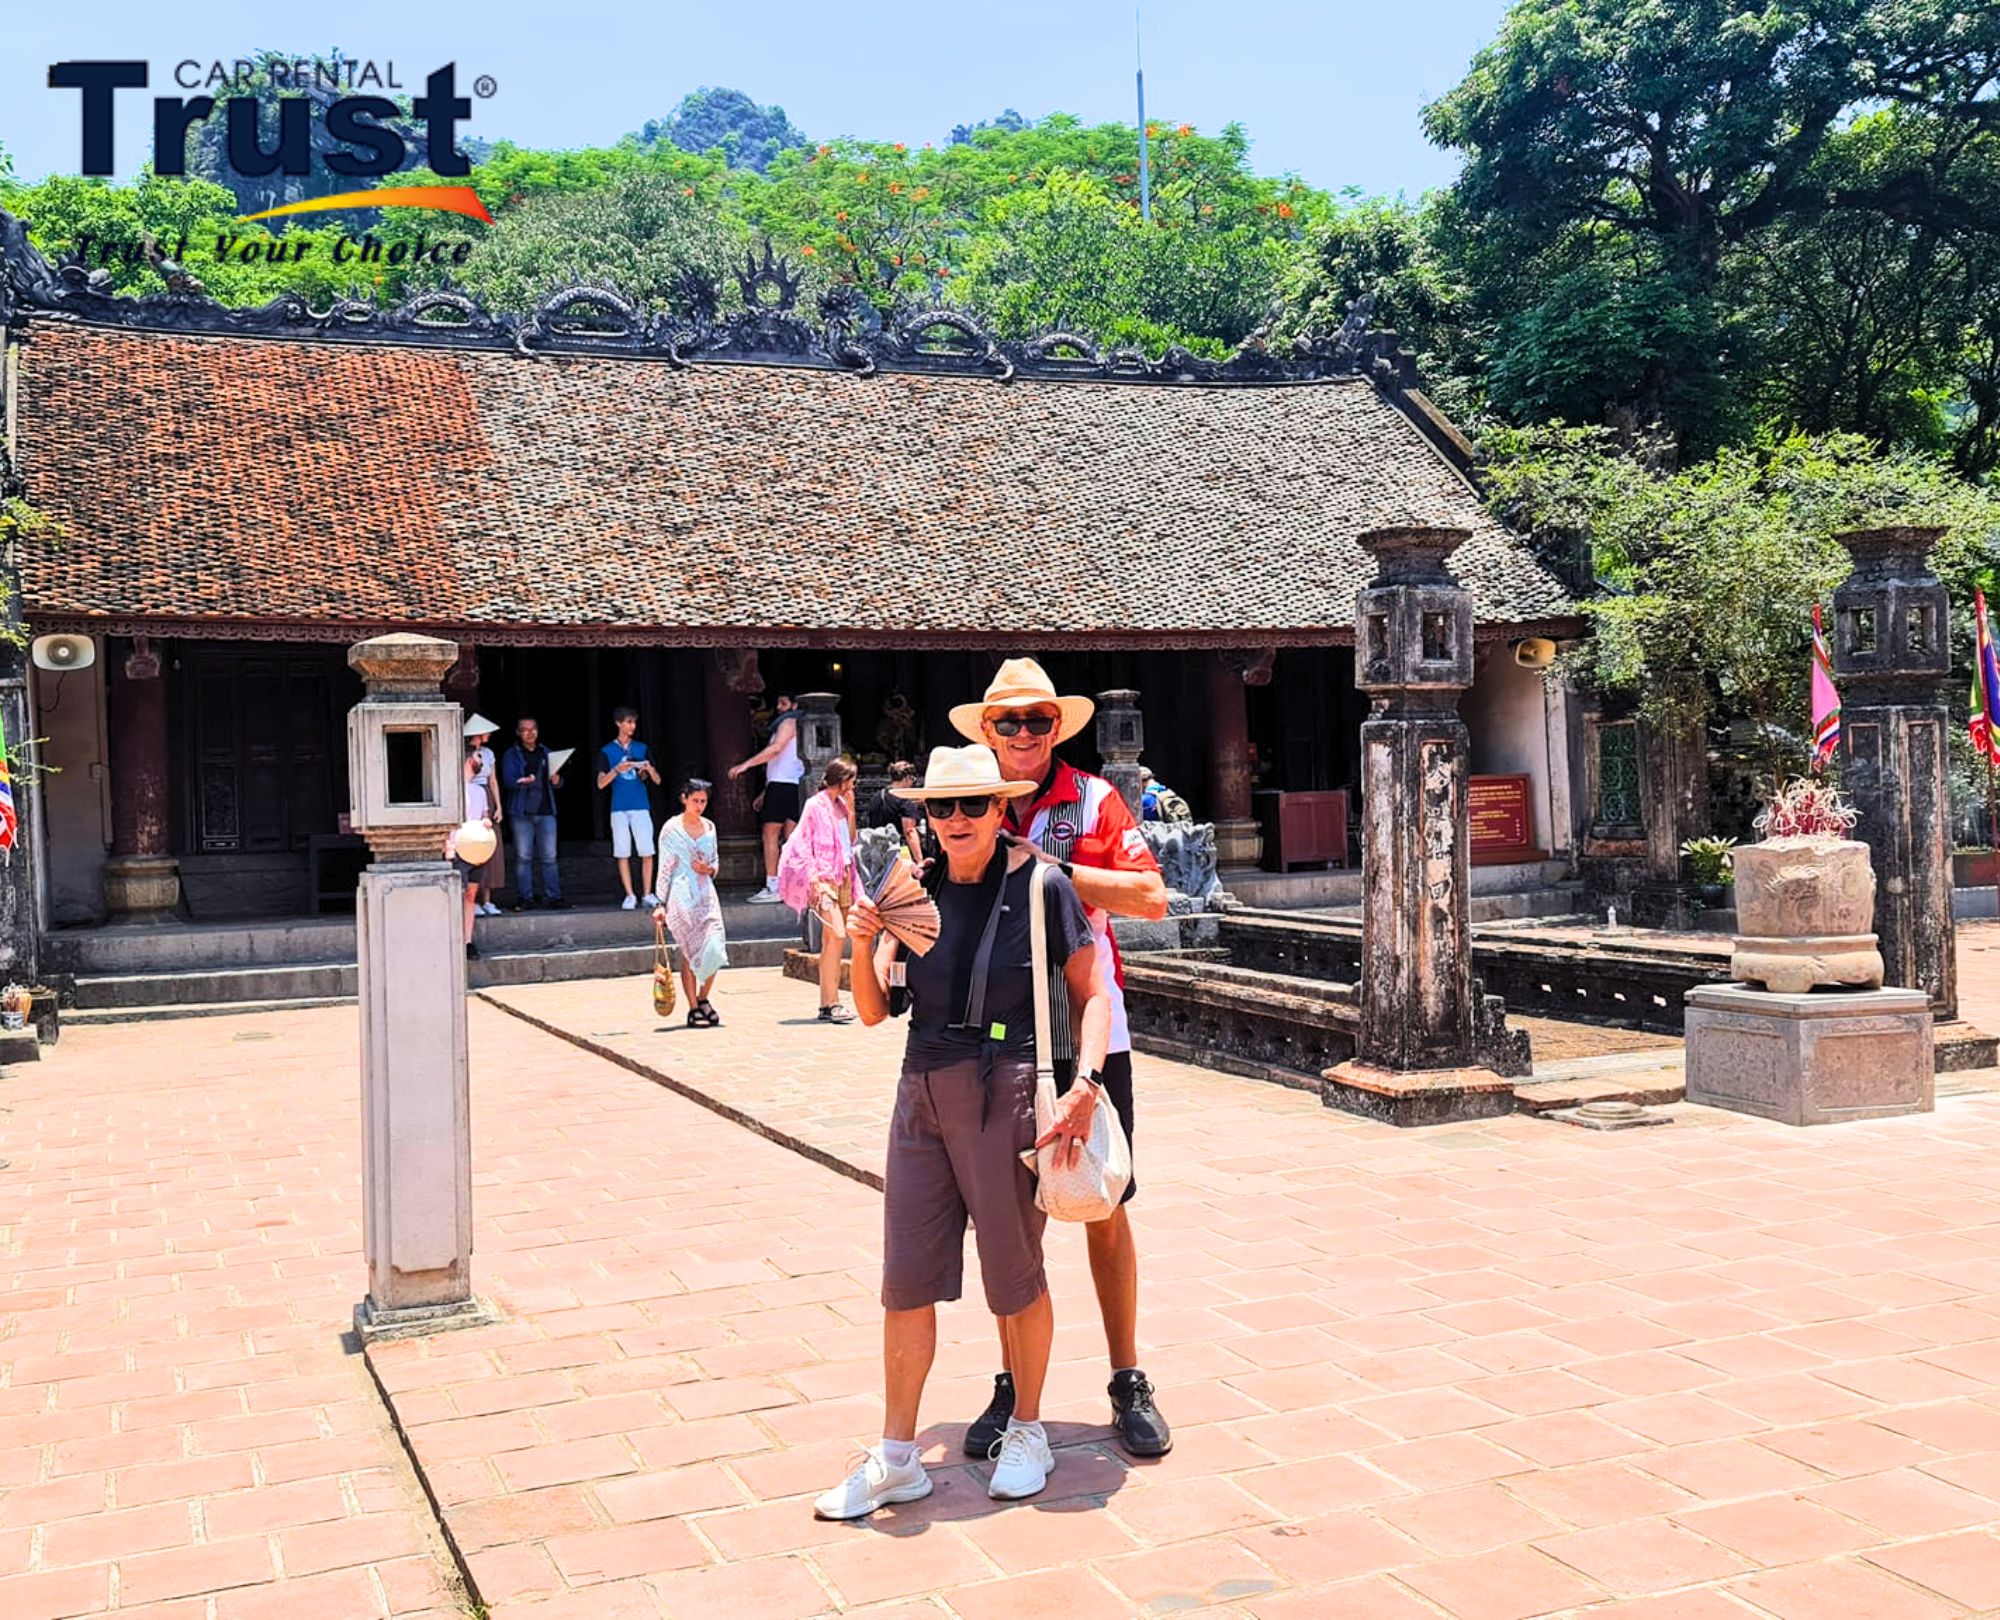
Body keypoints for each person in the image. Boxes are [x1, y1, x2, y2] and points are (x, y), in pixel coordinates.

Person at [815, 744, 1108, 1519]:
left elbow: (1093, 991)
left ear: (1000, 808)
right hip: (921, 1090)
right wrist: (858, 941)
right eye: (940, 808)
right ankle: (899, 1455)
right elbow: (876, 1012)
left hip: (1006, 1085)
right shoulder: (917, 889)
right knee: (905, 1278)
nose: (954, 821)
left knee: (1014, 1274)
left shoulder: (1043, 886)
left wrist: (1087, 1083)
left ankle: (1029, 1429)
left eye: (971, 805)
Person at [949, 658, 1173, 1459]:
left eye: (1037, 721)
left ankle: (1127, 1377)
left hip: (1085, 1028)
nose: (1022, 735)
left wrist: (1054, 869)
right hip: (995, 1033)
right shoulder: (961, 798)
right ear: (986, 731)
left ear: (1057, 728)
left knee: (1104, 1201)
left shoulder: (1092, 800)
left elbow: (1150, 897)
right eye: (1007, 722)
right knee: (1011, 1222)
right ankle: (1017, 1384)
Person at [777, 757, 861, 1024]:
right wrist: (812, 878)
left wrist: (852, 809)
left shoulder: (841, 804)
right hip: (823, 876)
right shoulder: (815, 805)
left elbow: (852, 837)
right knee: (835, 934)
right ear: (842, 779)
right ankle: (831, 1001)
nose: (854, 786)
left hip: (845, 872)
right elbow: (803, 842)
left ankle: (828, 1003)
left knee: (835, 939)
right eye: (852, 781)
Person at [651, 777, 729, 1027]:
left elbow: (716, 862)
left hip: (706, 892)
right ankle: (693, 1007)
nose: (699, 806)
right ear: (684, 799)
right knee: (689, 950)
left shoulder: (710, 827)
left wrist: (707, 868)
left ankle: (704, 997)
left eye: (703, 801)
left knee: (715, 946)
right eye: (695, 800)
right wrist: (660, 902)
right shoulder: (671, 829)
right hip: (682, 894)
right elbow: (665, 867)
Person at [727, 693, 804, 903]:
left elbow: (776, 750)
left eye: (783, 703)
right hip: (790, 785)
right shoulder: (798, 724)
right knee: (791, 837)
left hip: (782, 786)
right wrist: (765, 791)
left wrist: (745, 765)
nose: (779, 707)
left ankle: (773, 886)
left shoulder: (789, 721)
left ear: (795, 705)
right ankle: (792, 885)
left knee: (770, 835)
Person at [501, 716, 569, 911]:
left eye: (532, 729)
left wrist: (557, 781)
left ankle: (553, 897)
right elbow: (508, 781)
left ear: (537, 731)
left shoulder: (546, 752)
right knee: (523, 857)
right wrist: (522, 781)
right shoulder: (512, 754)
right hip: (521, 811)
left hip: (546, 810)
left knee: (550, 856)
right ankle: (525, 897)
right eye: (524, 730)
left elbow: (557, 783)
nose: (529, 733)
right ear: (518, 733)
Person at [597, 707, 660, 911]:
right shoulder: (607, 751)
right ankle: (630, 894)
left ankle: (647, 893)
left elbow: (658, 781)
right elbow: (600, 783)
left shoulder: (642, 748)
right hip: (619, 807)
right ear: (618, 723)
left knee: (647, 851)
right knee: (622, 851)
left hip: (641, 805)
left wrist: (648, 770)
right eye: (628, 722)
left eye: (634, 722)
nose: (632, 726)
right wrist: (617, 769)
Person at [450, 750, 495, 960]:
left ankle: (468, 941)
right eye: (478, 756)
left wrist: (487, 822)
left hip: (477, 847)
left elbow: (484, 815)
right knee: (457, 894)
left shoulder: (480, 790)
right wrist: (448, 845)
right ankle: (453, 939)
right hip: (459, 846)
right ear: (469, 760)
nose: (481, 760)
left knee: (470, 895)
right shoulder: (453, 790)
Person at [464, 714, 505, 915]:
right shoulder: (464, 753)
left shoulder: (488, 753)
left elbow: (493, 780)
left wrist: (498, 806)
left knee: (490, 848)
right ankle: (473, 900)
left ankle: (488, 900)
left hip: (486, 795)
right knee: (471, 847)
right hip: (469, 795)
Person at [869, 760, 930, 866]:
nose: (912, 784)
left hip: (877, 853)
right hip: (899, 854)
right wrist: (920, 860)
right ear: (907, 778)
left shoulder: (876, 797)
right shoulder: (905, 799)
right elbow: (909, 831)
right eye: (912, 779)